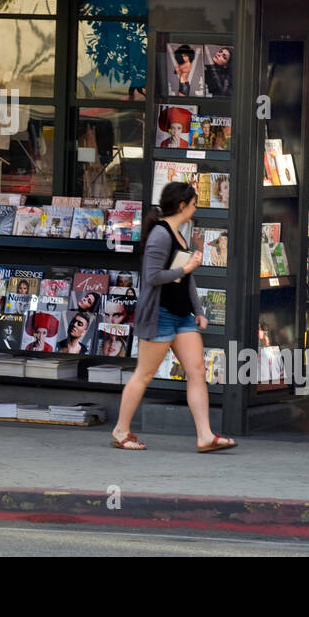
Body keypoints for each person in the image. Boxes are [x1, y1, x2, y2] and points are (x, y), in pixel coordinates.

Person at [111, 181, 237, 453]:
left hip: (182, 316)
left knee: (197, 372)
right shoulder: (161, 234)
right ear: (181, 205)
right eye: (192, 203)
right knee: (144, 374)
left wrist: (199, 311)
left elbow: (186, 280)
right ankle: (121, 429)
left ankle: (204, 435)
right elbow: (152, 277)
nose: (195, 207)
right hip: (161, 315)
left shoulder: (179, 234)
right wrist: (187, 267)